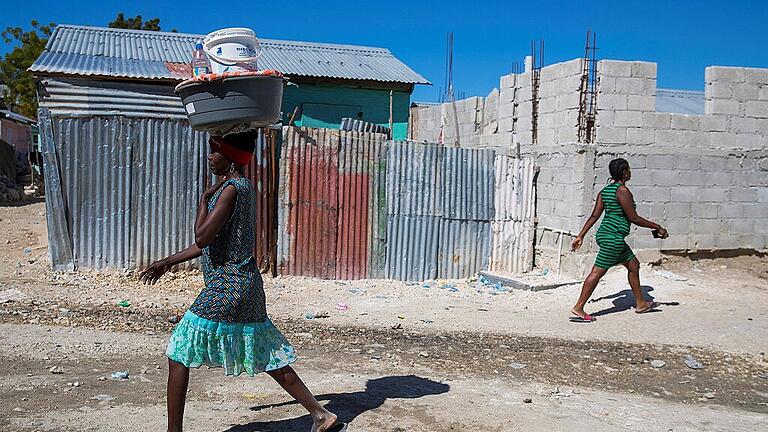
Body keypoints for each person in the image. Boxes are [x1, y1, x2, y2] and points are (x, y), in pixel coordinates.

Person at [139, 132, 342, 432]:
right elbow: (205, 244)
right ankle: (320, 414)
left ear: (231, 156)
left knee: (178, 349)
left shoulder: (232, 190)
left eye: (214, 151)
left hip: (229, 285)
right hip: (244, 284)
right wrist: (167, 263)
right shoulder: (239, 188)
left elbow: (201, 237)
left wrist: (203, 200)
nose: (209, 157)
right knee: (266, 352)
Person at [569, 158, 668, 322]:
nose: (630, 172)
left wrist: (581, 235)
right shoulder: (622, 191)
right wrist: (656, 226)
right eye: (628, 169)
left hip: (606, 235)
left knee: (633, 264)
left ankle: (641, 303)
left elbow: (595, 215)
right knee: (597, 272)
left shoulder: (605, 191)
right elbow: (633, 217)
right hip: (613, 238)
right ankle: (579, 307)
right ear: (624, 172)